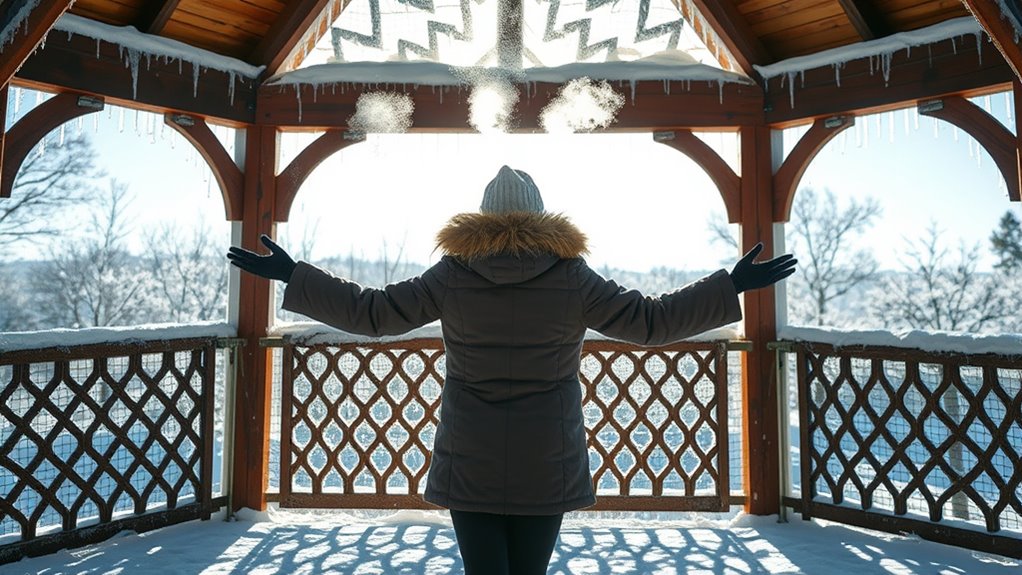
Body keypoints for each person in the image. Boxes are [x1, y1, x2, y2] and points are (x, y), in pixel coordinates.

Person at [227, 165, 796, 575]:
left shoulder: (452, 273)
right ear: (541, 214)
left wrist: (293, 274)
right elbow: (651, 321)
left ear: (481, 214)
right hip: (546, 458)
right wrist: (731, 285)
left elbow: (372, 314)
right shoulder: (572, 276)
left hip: (470, 454)